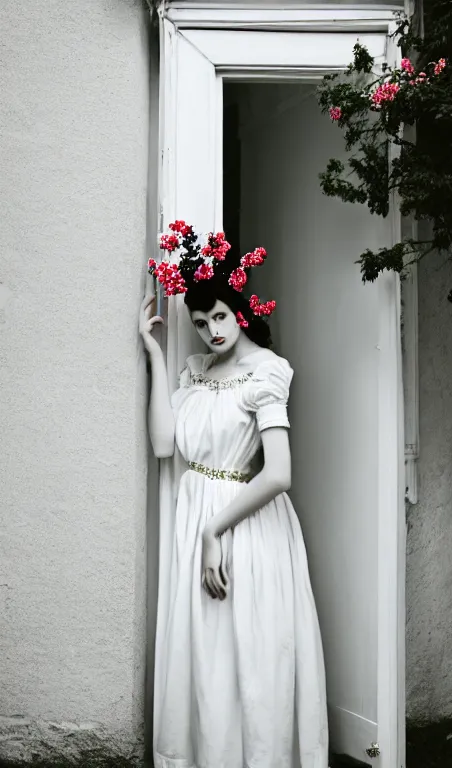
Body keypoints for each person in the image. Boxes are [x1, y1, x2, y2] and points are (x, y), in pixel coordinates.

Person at [140, 224, 328, 768]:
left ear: (239, 310)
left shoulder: (266, 373)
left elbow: (279, 474)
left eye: (219, 316)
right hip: (195, 514)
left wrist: (214, 529)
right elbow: (161, 444)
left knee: (250, 648)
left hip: (244, 521)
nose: (210, 331)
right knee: (206, 655)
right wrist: (154, 354)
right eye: (199, 323)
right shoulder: (197, 372)